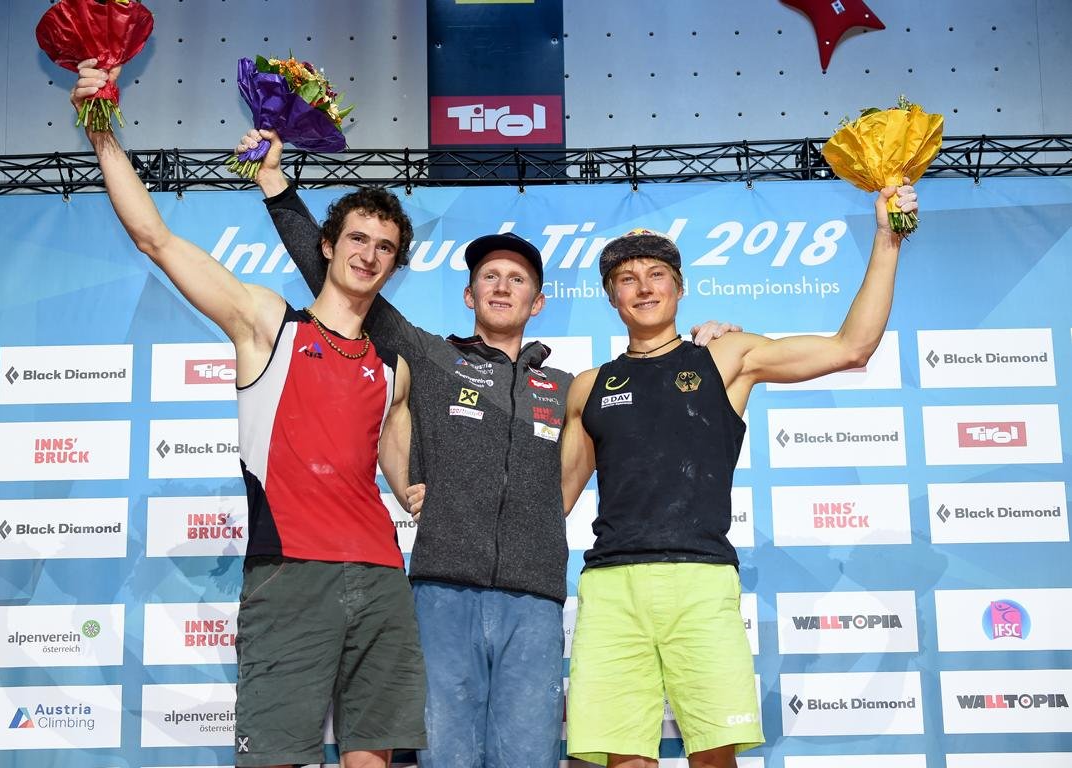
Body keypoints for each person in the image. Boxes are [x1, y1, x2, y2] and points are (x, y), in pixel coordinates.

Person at [237, 129, 735, 768]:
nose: (502, 287)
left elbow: (653, 398)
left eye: (518, 279)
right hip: (440, 595)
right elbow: (339, 279)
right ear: (469, 296)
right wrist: (275, 186)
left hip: (535, 602)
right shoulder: (430, 359)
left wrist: (710, 341)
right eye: (489, 277)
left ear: (538, 301)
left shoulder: (573, 388)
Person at [71, 62, 425, 768]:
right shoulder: (267, 324)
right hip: (291, 571)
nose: (369, 254)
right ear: (328, 246)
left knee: (372, 758)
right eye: (358, 238)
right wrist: (101, 129)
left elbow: (395, 464)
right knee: (274, 758)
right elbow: (157, 239)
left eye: (384, 247)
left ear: (394, 266)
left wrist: (416, 489)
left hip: (382, 573)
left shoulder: (395, 368)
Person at [559, 184, 918, 768]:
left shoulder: (726, 357)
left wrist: (887, 238)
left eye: (656, 274)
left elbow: (851, 347)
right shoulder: (588, 386)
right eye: (627, 278)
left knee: (713, 756)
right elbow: (552, 502)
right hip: (610, 586)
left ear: (680, 287)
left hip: (700, 581)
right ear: (611, 296)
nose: (644, 287)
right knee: (625, 759)